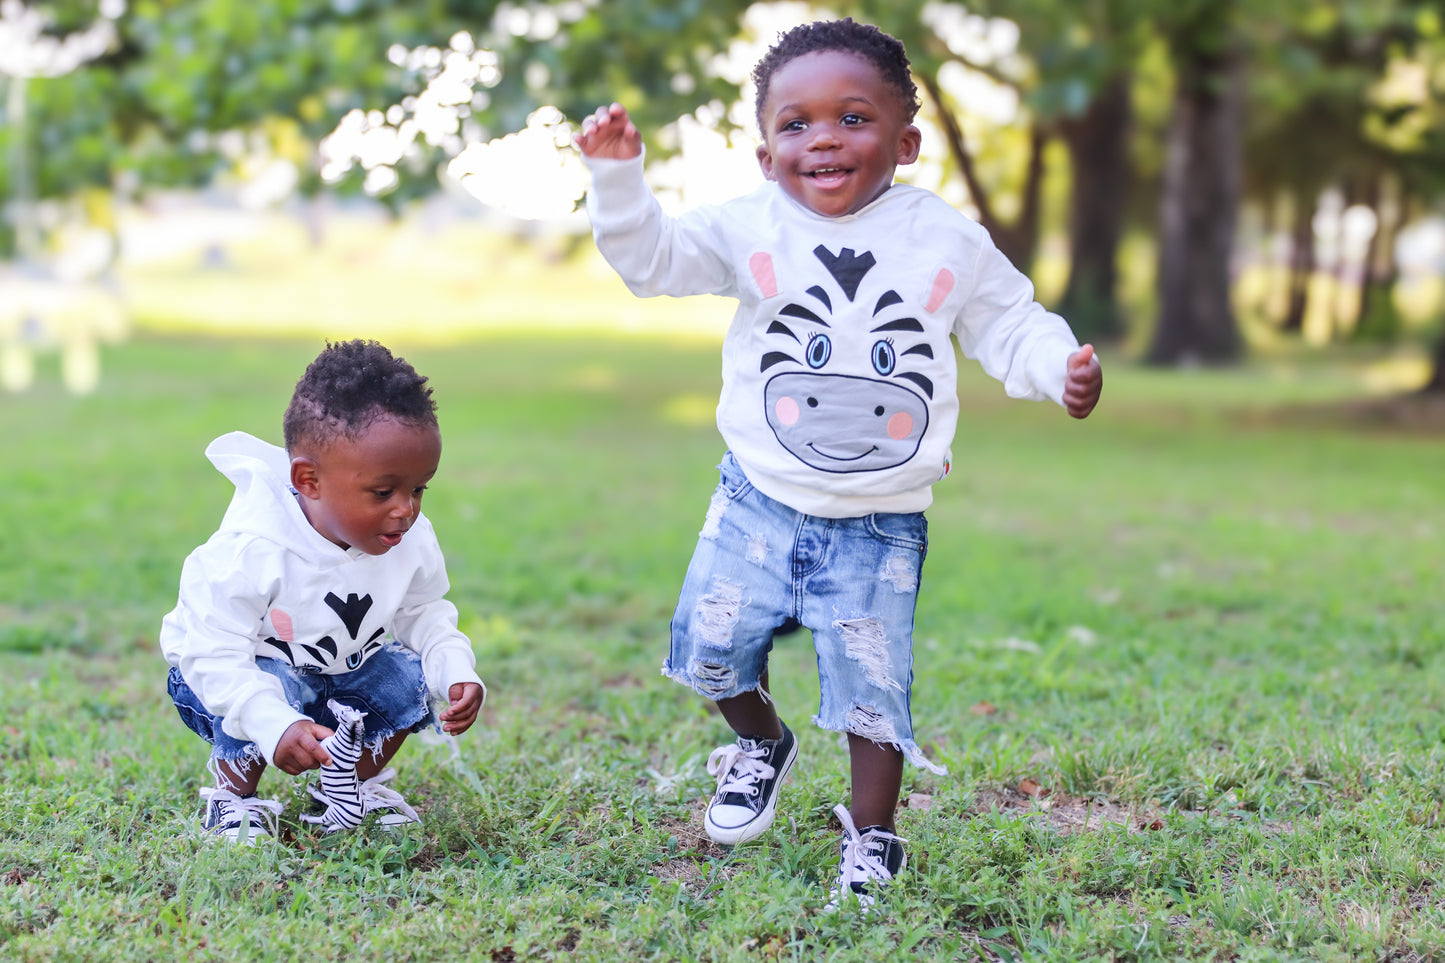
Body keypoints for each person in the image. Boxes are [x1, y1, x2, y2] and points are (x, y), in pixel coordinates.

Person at [574, 18, 1102, 909]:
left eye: (852, 118)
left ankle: (874, 834)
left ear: (906, 141)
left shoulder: (944, 238)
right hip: (756, 497)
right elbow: (653, 260)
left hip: (879, 518)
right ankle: (759, 742)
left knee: (870, 683)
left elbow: (1008, 320)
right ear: (764, 151)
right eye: (796, 124)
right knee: (708, 650)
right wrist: (618, 179)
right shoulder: (750, 226)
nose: (822, 137)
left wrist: (1058, 369)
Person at [160, 339, 486, 844]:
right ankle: (234, 799)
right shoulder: (252, 550)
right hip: (233, 678)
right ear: (308, 480)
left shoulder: (409, 538)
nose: (407, 509)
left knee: (407, 674)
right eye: (384, 492)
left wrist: (455, 668)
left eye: (419, 488)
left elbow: (424, 612)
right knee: (270, 682)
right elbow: (213, 656)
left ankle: (349, 788)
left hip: (340, 674)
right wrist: (273, 724)